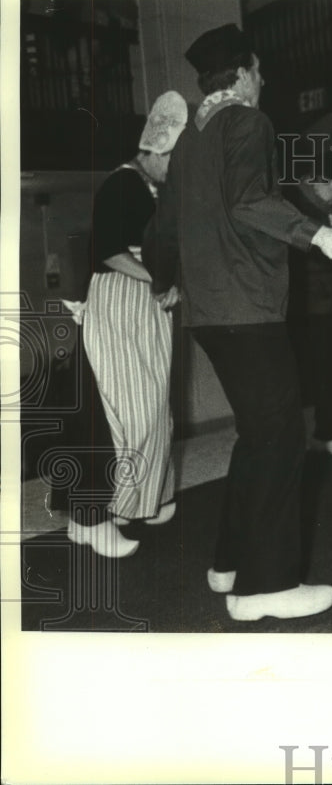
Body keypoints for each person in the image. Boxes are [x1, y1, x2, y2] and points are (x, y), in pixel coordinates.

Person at [144, 24, 332, 621]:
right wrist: (320, 233)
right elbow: (248, 203)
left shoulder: (187, 142)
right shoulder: (248, 123)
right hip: (249, 308)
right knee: (282, 436)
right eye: (259, 72)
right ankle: (266, 587)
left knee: (258, 436)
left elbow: (161, 230)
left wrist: (164, 283)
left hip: (208, 315)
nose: (263, 82)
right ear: (241, 74)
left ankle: (229, 563)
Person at [65, 90, 186, 558]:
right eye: (175, 161)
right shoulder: (123, 185)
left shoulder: (155, 190)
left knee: (154, 407)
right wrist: (158, 279)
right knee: (122, 411)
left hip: (147, 306)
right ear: (157, 151)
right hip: (119, 303)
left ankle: (141, 500)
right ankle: (93, 518)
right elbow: (111, 251)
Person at [288, 173, 332, 460]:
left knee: (330, 366)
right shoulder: (291, 203)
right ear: (318, 180)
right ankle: (294, 439)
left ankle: (328, 433)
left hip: (325, 299)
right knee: (293, 372)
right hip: (294, 301)